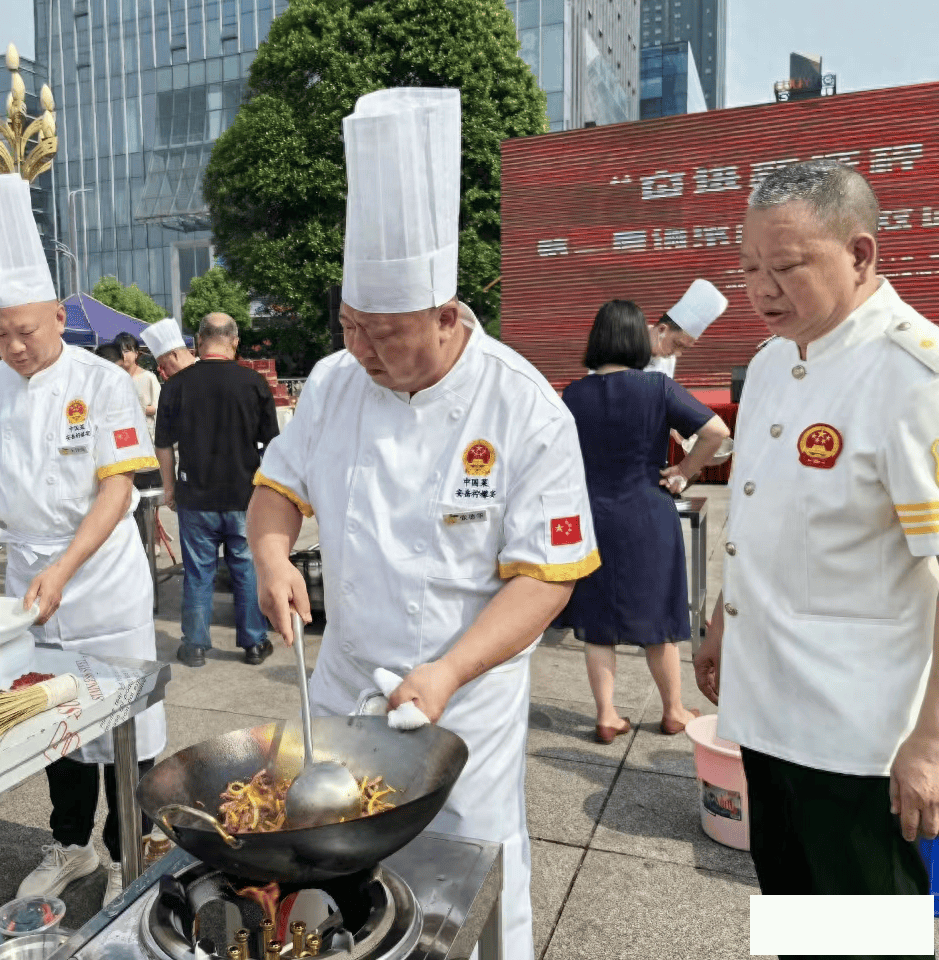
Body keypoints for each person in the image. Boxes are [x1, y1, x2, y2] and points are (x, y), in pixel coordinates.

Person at [248, 88, 597, 960]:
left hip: (461, 706)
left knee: (464, 892)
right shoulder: (331, 382)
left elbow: (545, 578)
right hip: (341, 690)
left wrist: (446, 671)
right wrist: (270, 555)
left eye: (386, 334)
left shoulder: (523, 407)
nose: (362, 350)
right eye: (349, 326)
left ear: (449, 317)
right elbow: (277, 490)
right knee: (335, 893)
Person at [694, 159, 939, 909]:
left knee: (866, 943)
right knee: (792, 915)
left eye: (786, 267)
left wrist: (929, 742)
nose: (761, 290)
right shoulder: (771, 363)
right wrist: (720, 623)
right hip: (769, 720)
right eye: (748, 269)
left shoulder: (911, 378)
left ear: (861, 255)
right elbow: (766, 513)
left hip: (860, 745)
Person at [0, 172, 166, 904]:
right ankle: (68, 847)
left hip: (101, 576)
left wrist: (65, 566)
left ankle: (129, 854)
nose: (15, 346)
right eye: (0, 333)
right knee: (54, 722)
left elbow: (119, 488)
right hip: (32, 576)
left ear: (58, 314)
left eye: (27, 330)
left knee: (128, 730)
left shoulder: (106, 383)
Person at [553, 300, 730, 743]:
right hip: (647, 514)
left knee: (598, 623)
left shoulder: (572, 394)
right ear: (639, 339)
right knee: (659, 620)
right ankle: (673, 710)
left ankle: (607, 715)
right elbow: (717, 431)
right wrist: (684, 472)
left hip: (593, 515)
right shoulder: (657, 388)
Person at [156, 312, 278, 667]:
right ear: (235, 341)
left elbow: (163, 444)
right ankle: (254, 644)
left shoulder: (175, 386)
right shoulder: (253, 382)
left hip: (195, 495)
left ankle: (194, 646)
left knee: (198, 573)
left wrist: (169, 489)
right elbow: (273, 445)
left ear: (198, 340)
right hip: (245, 496)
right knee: (246, 569)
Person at [645, 279, 728, 379]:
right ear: (662, 329)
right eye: (677, 344)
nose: (678, 353)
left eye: (684, 348)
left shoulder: (669, 359)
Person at [116, 332, 161, 439]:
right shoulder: (115, 380)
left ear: (136, 353)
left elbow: (159, 408)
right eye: (119, 351)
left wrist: (137, 409)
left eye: (127, 351)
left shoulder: (148, 377)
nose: (123, 355)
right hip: (123, 436)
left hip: (146, 435)